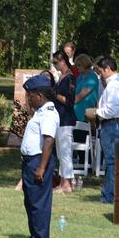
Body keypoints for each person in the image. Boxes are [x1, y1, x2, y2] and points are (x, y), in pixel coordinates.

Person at [19, 75, 59, 238]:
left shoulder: (49, 114)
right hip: (30, 160)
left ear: (40, 96)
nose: (29, 99)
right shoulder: (40, 113)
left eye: (31, 96)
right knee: (30, 200)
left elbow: (49, 140)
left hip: (39, 161)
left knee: (38, 202)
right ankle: (34, 237)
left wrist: (41, 168)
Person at [93, 56, 119, 204]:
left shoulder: (114, 85)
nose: (100, 74)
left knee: (111, 161)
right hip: (116, 124)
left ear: (108, 69)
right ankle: (111, 193)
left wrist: (97, 113)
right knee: (114, 161)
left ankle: (109, 195)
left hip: (112, 124)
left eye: (101, 71)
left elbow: (112, 109)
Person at [51, 50, 76, 193]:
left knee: (65, 152)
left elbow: (70, 101)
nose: (54, 66)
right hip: (59, 118)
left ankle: (67, 183)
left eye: (56, 63)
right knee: (61, 153)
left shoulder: (70, 78)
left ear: (63, 61)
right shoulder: (61, 77)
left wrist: (54, 94)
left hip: (66, 118)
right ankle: (62, 182)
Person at [72, 54, 99, 122]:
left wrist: (68, 102)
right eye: (76, 65)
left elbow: (81, 95)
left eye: (79, 65)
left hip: (85, 113)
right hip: (75, 112)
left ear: (85, 64)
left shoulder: (92, 77)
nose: (77, 67)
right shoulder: (80, 76)